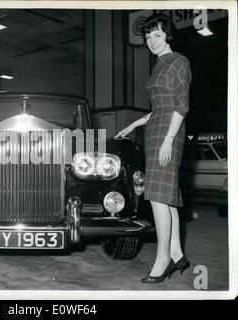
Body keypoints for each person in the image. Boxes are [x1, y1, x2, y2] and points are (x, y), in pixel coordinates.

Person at [115, 14, 191, 283]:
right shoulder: (159, 65)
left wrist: (169, 139)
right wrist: (134, 123)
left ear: (167, 35)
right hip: (155, 129)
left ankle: (163, 261)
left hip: (169, 132)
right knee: (165, 195)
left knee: (157, 196)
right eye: (148, 37)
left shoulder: (178, 61)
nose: (151, 41)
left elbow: (181, 106)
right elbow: (158, 107)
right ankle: (177, 253)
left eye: (157, 35)